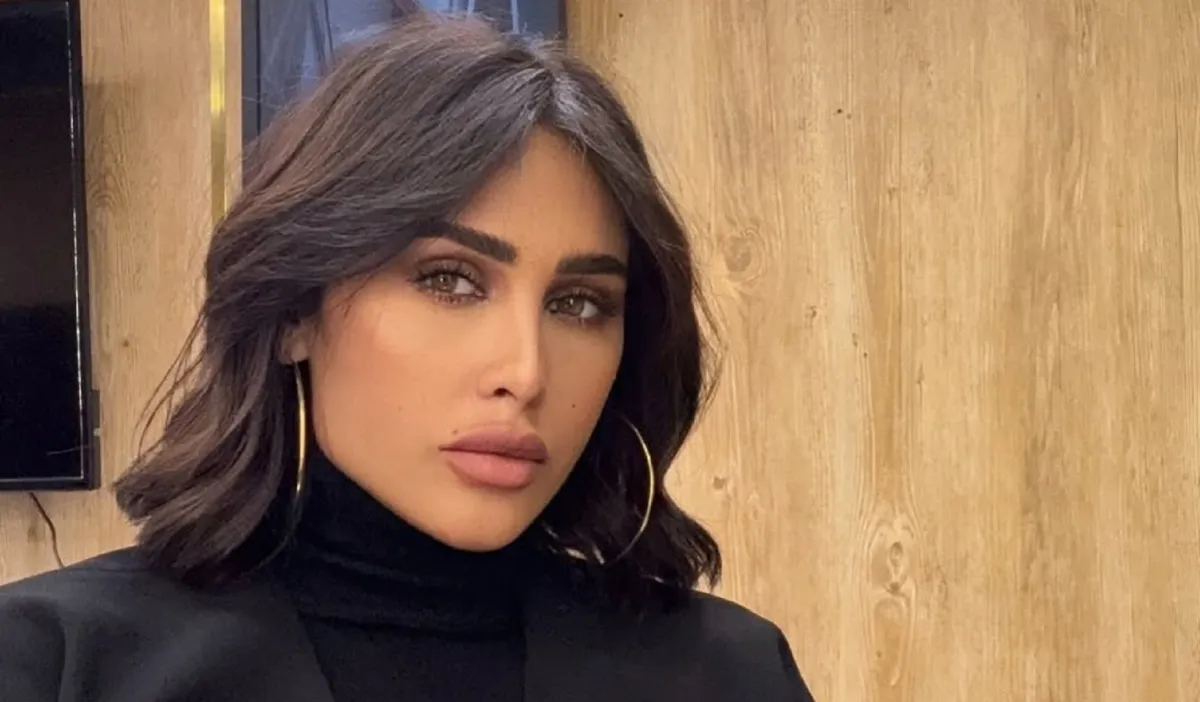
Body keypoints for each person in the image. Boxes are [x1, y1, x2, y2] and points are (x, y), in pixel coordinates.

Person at [0, 14, 815, 702]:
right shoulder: (54, 663)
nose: (525, 373)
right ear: (294, 310)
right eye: (449, 280)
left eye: (578, 303)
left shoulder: (730, 674)